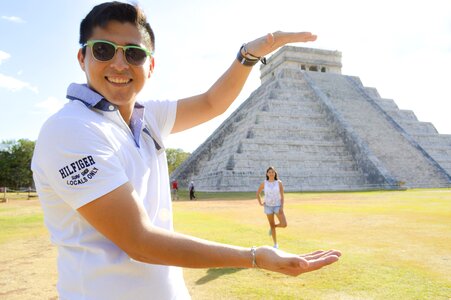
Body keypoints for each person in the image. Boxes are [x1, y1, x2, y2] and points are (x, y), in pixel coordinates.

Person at [31, 2, 341, 299]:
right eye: (103, 50)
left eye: (135, 54)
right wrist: (254, 257)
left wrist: (248, 55)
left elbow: (211, 103)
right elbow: (139, 240)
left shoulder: (147, 116)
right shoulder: (70, 129)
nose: (120, 63)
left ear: (150, 65)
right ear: (82, 57)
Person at [256, 166, 287, 249]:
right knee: (271, 224)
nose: (271, 173)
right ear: (267, 174)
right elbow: (257, 193)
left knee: (284, 224)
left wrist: (282, 207)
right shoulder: (264, 183)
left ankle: (273, 226)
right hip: (268, 206)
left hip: (277, 205)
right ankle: (275, 244)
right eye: (269, 172)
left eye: (272, 172)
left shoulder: (279, 182)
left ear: (275, 173)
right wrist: (260, 203)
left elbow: (282, 196)